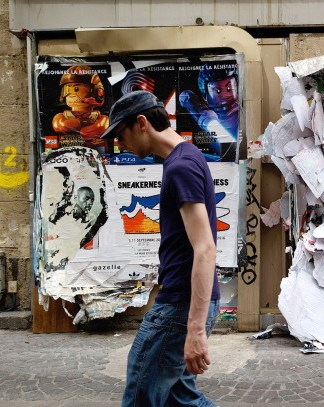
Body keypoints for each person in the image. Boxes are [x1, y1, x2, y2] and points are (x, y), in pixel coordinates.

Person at [101, 90, 220, 407]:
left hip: (179, 307)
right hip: (182, 301)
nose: (119, 145)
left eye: (120, 134)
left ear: (141, 123)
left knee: (141, 393)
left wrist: (194, 330)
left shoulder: (181, 166)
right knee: (178, 399)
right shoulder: (184, 158)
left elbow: (205, 249)